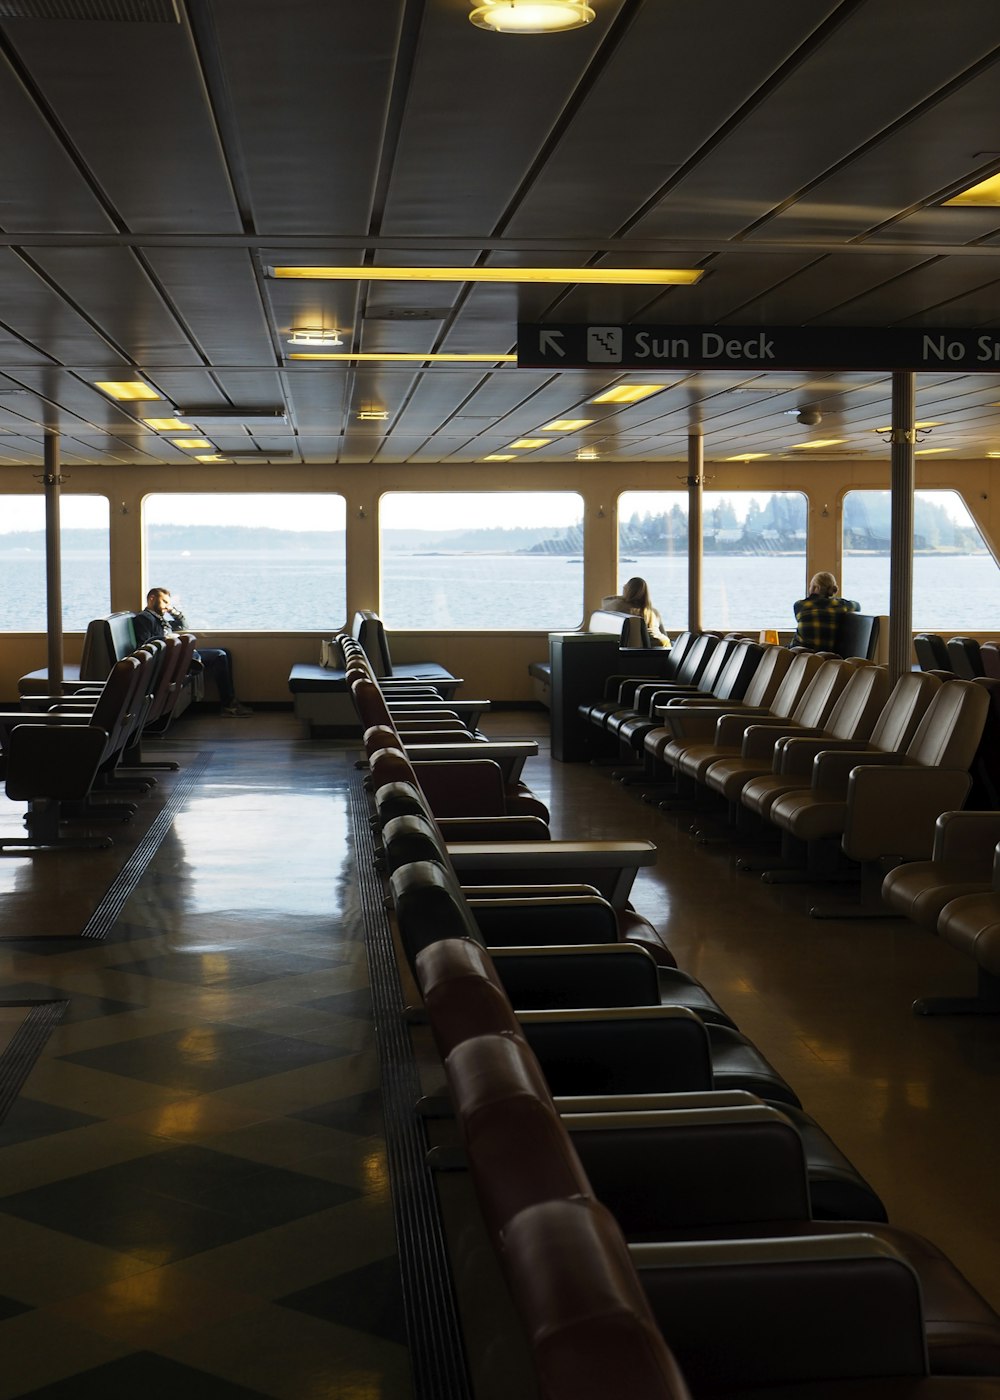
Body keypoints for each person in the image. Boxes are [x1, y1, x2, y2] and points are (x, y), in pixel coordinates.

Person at [133, 587, 252, 716]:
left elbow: (183, 625)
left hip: (176, 653)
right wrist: (167, 639)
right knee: (219, 655)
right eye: (165, 602)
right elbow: (145, 644)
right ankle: (229, 705)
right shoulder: (145, 618)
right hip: (168, 658)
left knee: (225, 652)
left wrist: (172, 610)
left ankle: (230, 701)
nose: (167, 606)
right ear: (152, 599)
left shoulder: (160, 619)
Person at [789, 571, 859, 652]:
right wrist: (836, 600)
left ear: (816, 588)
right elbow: (857, 606)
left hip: (801, 656)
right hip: (828, 657)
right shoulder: (841, 606)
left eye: (811, 586)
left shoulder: (800, 605)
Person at [601, 576, 671, 647]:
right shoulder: (653, 611)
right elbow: (664, 633)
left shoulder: (619, 606)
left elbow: (605, 602)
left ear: (627, 590)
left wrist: (623, 596)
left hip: (649, 647)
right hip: (663, 643)